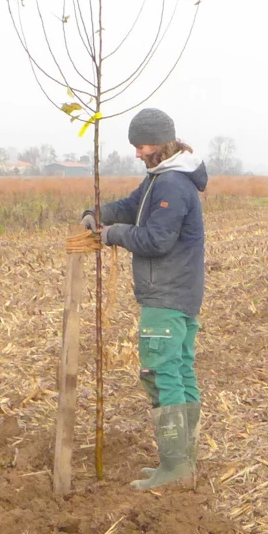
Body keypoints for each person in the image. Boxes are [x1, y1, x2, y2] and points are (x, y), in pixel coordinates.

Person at [82, 107, 207, 491]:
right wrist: (98, 214)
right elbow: (131, 206)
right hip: (180, 294)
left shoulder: (171, 184)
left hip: (166, 295)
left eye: (142, 146)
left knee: (160, 375)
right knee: (180, 371)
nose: (137, 153)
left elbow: (156, 240)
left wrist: (112, 234)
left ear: (161, 143)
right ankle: (182, 464)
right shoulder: (162, 178)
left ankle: (174, 468)